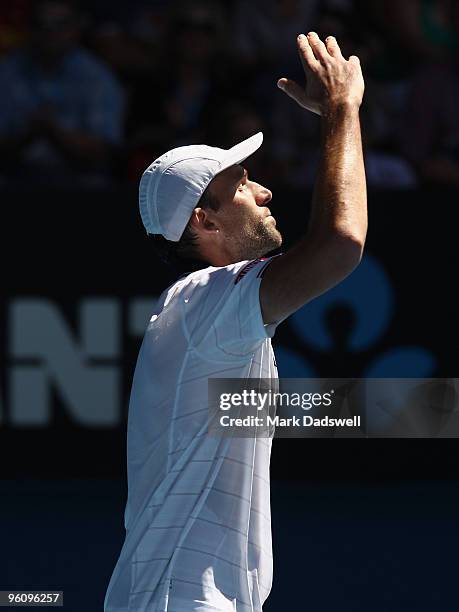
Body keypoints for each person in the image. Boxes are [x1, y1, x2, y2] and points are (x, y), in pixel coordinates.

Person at [104, 32, 367, 612]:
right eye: (243, 185)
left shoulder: (197, 323)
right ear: (205, 220)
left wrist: (437, 408)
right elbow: (339, 245)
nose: (266, 190)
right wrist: (343, 111)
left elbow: (272, 411)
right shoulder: (203, 300)